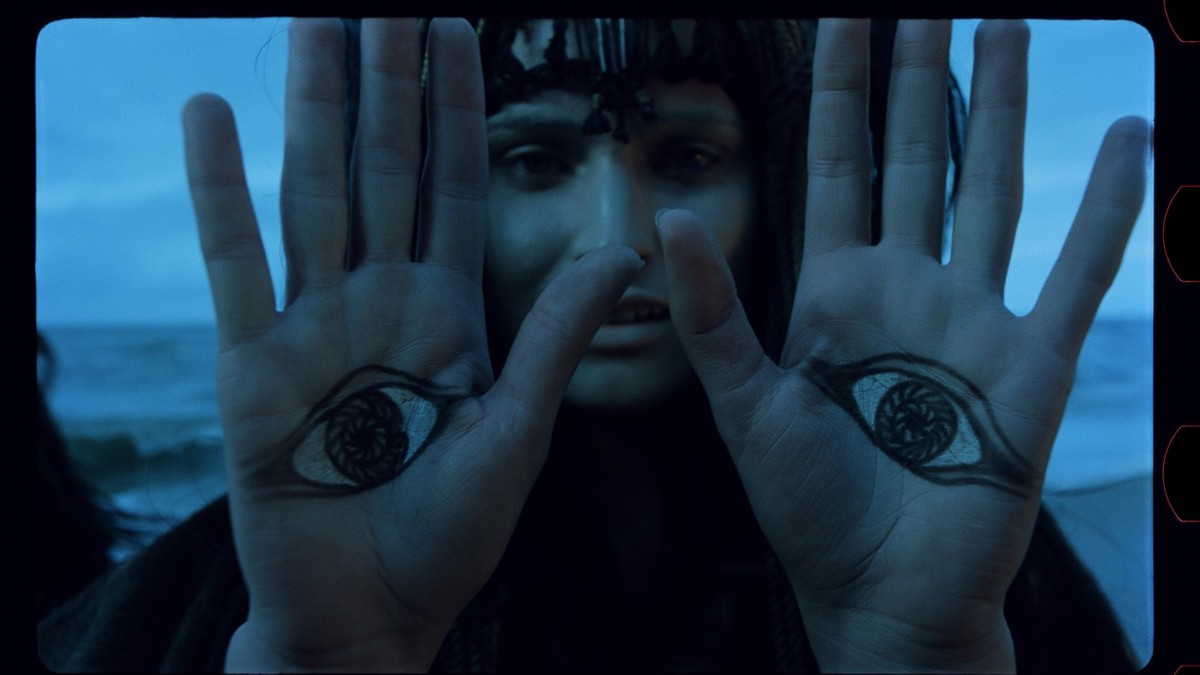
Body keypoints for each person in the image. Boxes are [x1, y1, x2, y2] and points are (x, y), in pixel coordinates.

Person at [37, 17, 1147, 672]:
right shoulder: (263, 575)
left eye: (688, 159)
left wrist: (919, 658)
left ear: (778, 182)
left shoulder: (962, 549)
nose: (617, 241)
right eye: (534, 162)